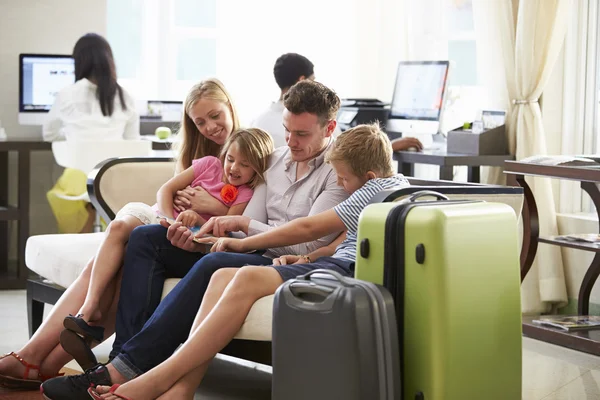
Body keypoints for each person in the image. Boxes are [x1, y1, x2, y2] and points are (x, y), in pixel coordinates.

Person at [40, 79, 350, 400]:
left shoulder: (335, 174)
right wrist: (203, 236)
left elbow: (304, 243)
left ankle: (120, 370)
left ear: (329, 128)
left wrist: (240, 227)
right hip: (242, 246)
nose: (290, 141)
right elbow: (239, 223)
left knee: (214, 263)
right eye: (287, 130)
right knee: (146, 239)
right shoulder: (273, 161)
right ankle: (123, 357)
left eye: (301, 134)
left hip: (274, 259)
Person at [90, 123, 409, 400]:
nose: (341, 186)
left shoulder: (377, 190)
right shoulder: (393, 189)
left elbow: (310, 227)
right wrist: (307, 256)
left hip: (343, 270)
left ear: (368, 177)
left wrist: (243, 235)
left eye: (343, 180)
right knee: (221, 275)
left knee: (240, 276)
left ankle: (153, 379)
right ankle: (179, 389)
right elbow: (345, 244)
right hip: (333, 263)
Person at [0, 78, 240, 391]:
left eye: (216, 115)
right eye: (200, 122)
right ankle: (40, 355)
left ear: (230, 107)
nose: (210, 126)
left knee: (124, 268)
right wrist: (172, 214)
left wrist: (210, 206)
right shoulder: (204, 157)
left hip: (178, 236)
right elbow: (168, 191)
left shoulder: (251, 155)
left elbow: (247, 216)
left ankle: (39, 362)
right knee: (120, 242)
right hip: (162, 221)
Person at [63, 128, 274, 356]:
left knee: (137, 243)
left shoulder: (244, 194)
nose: (234, 168)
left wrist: (203, 212)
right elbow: (167, 189)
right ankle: (90, 313)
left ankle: (103, 345)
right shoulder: (210, 165)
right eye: (231, 159)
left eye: (244, 164)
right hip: (165, 219)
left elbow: (225, 226)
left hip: (189, 237)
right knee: (124, 235)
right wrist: (170, 219)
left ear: (258, 167)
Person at [43, 33, 139, 234]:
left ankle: (85, 224)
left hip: (78, 179)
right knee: (101, 193)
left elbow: (49, 134)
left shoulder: (67, 94)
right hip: (113, 178)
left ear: (79, 62)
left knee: (70, 185)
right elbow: (132, 141)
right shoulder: (126, 97)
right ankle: (100, 220)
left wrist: (73, 137)